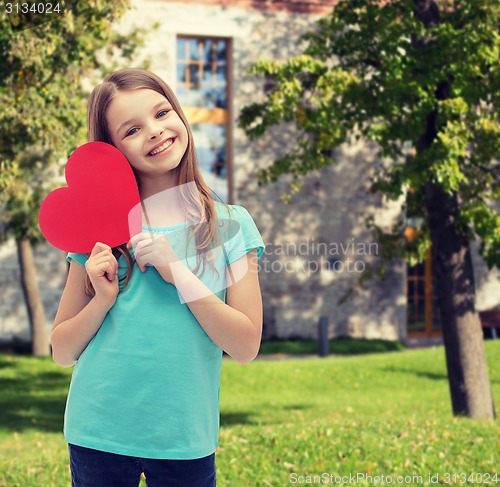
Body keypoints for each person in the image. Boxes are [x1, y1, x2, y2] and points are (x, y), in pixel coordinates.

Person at [50, 68, 265, 487]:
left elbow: (245, 344)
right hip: (98, 433)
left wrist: (178, 272)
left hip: (184, 438)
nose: (154, 131)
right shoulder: (97, 231)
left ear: (180, 116)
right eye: (132, 129)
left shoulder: (230, 224)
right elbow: (61, 350)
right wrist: (101, 299)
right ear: (113, 150)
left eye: (162, 112)